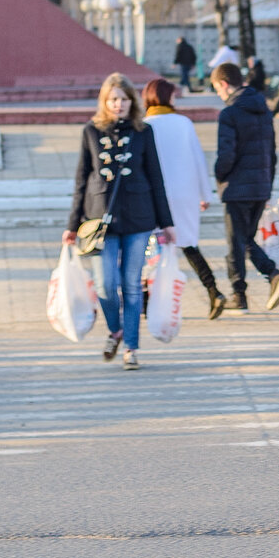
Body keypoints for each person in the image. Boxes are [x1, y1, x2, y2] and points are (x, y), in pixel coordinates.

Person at [63, 73, 176, 370]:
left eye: (124, 99)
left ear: (132, 101)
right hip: (100, 220)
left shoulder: (143, 131)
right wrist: (72, 224)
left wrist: (167, 222)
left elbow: (156, 177)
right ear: (105, 101)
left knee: (132, 285)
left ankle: (131, 348)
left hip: (139, 218)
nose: (119, 104)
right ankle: (116, 330)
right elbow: (80, 179)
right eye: (113, 99)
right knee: (105, 285)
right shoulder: (90, 131)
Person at [142, 79, 227, 320]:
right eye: (172, 96)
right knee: (188, 244)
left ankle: (147, 301)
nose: (174, 100)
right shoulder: (183, 123)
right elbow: (198, 159)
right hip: (185, 193)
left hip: (156, 196)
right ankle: (213, 291)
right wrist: (204, 193)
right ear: (165, 97)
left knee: (152, 248)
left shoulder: (144, 126)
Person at [210, 62, 279, 312]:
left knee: (237, 242)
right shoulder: (263, 110)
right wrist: (268, 185)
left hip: (237, 187)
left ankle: (262, 280)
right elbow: (272, 152)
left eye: (217, 89)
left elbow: (226, 155)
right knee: (245, 240)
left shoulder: (230, 113)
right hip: (261, 185)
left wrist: (218, 175)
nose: (219, 95)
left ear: (224, 84)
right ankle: (262, 282)